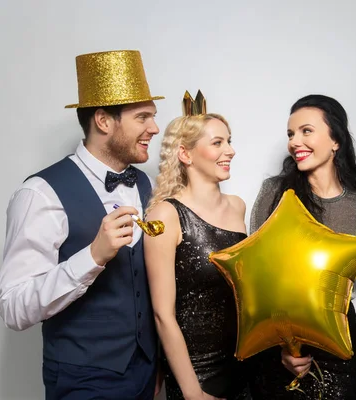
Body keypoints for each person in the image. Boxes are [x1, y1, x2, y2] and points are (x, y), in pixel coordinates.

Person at [0, 50, 164, 399]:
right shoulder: (40, 194)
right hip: (82, 381)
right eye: (143, 117)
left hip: (147, 374)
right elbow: (13, 308)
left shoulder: (147, 184)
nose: (154, 128)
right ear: (104, 121)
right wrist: (92, 256)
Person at [248, 94, 356, 399]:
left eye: (306, 131)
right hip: (280, 343)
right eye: (290, 134)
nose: (295, 141)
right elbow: (257, 275)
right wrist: (285, 346)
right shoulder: (275, 193)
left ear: (335, 140)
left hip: (340, 343)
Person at [143, 97, 250, 400]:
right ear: (185, 154)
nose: (230, 150)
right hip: (197, 374)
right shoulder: (165, 215)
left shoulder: (237, 207)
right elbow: (163, 315)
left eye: (229, 141)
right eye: (217, 143)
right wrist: (193, 394)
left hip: (245, 365)